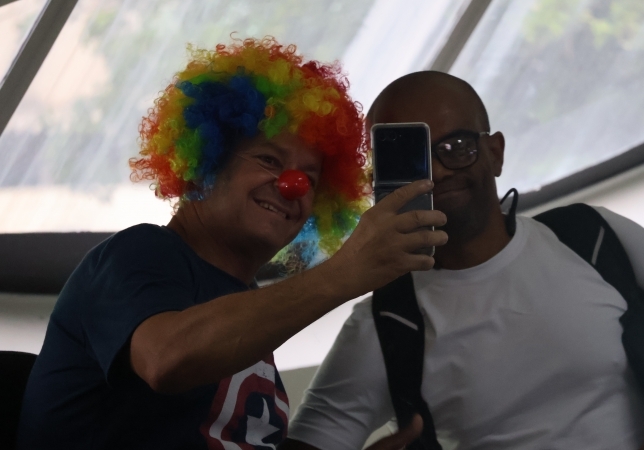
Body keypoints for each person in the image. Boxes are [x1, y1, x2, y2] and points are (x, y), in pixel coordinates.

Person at [281, 71, 644, 450]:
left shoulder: (592, 238)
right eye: (411, 156)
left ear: (495, 153)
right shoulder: (386, 322)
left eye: (456, 146)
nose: (437, 171)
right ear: (379, 179)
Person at [16, 38, 446, 449]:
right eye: (269, 160)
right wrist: (343, 273)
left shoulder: (248, 306)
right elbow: (167, 359)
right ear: (207, 160)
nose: (292, 185)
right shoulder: (137, 255)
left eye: (310, 178)